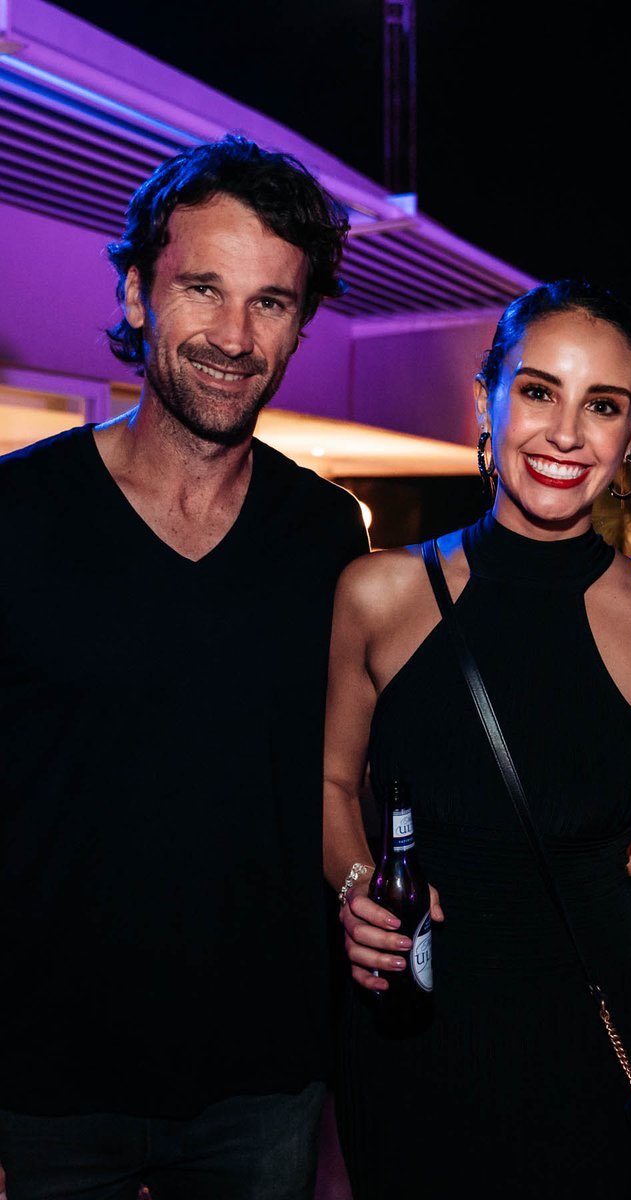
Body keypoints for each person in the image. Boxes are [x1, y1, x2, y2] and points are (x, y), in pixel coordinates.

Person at [0, 135, 368, 1198]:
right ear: (136, 290)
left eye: (271, 302)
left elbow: (344, 772)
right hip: (44, 1081)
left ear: (300, 323)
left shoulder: (327, 535)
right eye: (203, 288)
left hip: (262, 1085)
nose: (234, 337)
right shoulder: (15, 513)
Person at [323, 280, 631, 1199]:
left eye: (603, 406)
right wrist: (356, 885)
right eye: (539, 390)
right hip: (413, 1040)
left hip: (592, 1051)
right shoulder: (379, 594)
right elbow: (330, 783)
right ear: (486, 401)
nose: (565, 433)